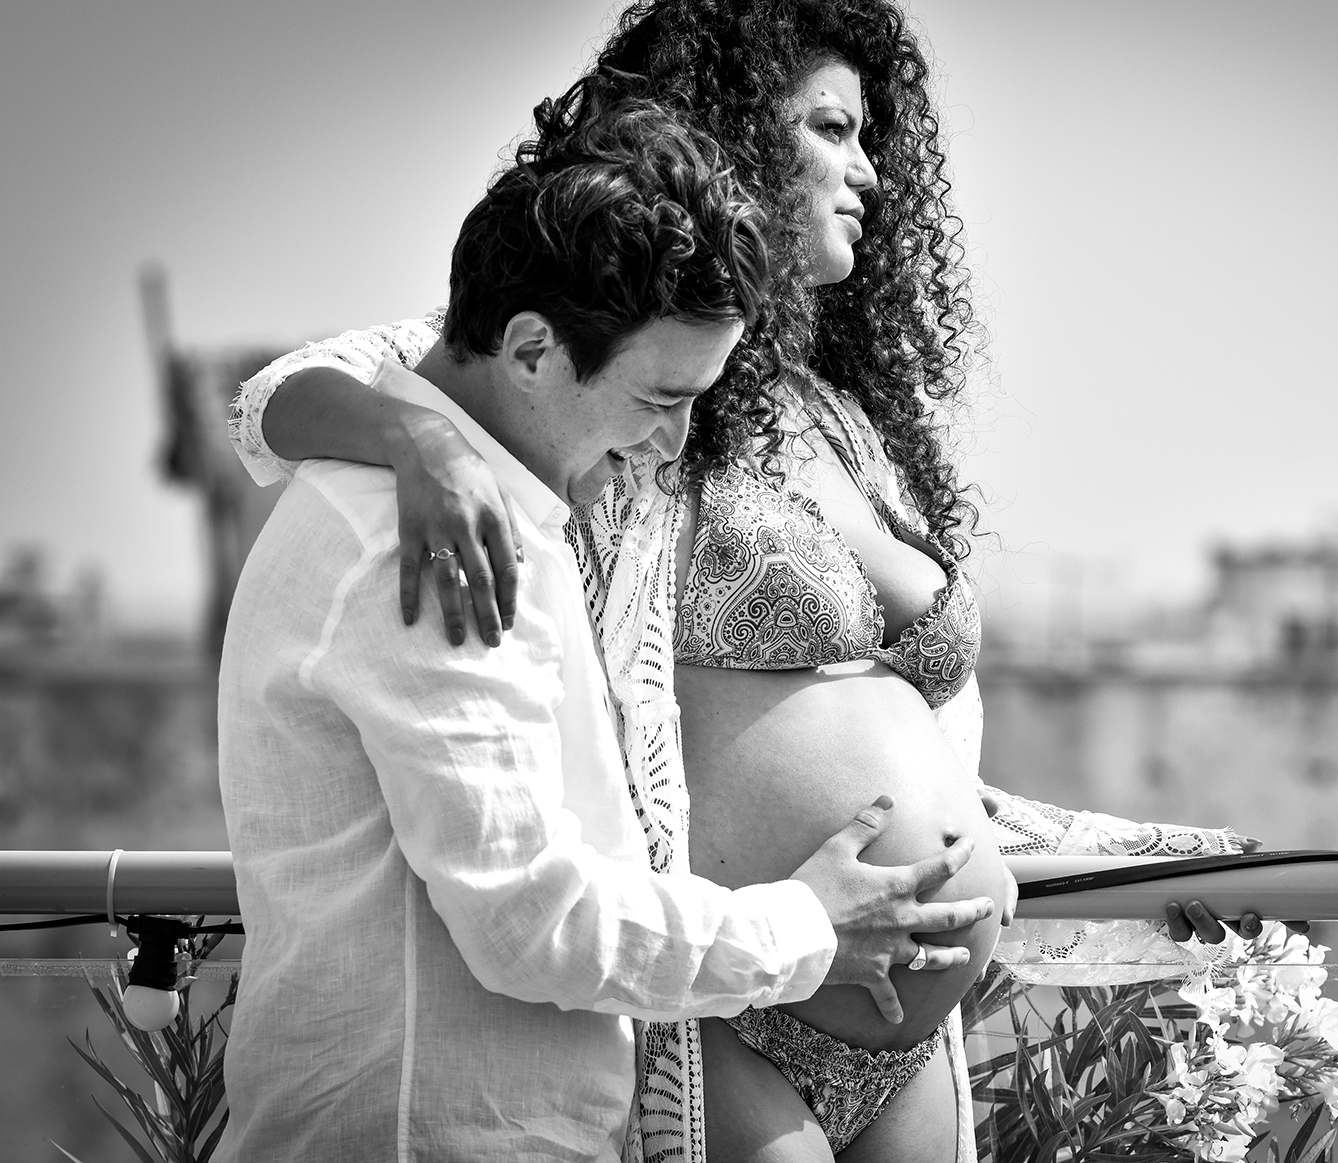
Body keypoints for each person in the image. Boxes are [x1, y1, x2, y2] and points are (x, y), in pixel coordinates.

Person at [228, 3, 1268, 1159]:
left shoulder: (843, 417)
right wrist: (418, 443)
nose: (870, 171)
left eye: (873, 136)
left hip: (893, 1005)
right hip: (718, 1003)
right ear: (733, 134)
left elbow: (907, 755)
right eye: (831, 128)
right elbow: (293, 395)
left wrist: (1154, 865)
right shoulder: (599, 351)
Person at [215, 96, 998, 1162]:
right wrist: (808, 926)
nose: (672, 442)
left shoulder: (490, 500)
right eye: (661, 397)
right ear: (532, 349)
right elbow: (530, 920)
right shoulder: (438, 545)